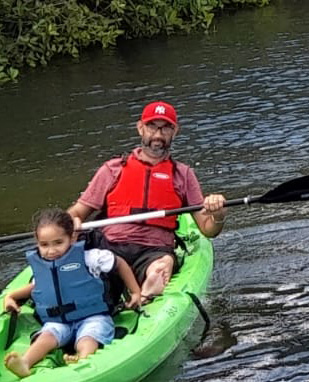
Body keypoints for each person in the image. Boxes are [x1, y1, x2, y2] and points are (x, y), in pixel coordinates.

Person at [68, 101, 227, 300]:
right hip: (110, 246)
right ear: (140, 128)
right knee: (94, 276)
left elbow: (207, 229)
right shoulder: (113, 169)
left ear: (175, 131)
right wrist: (71, 222)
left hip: (154, 251)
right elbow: (76, 213)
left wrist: (218, 215)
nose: (158, 135)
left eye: (166, 128)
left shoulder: (182, 175)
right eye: (152, 126)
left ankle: (147, 294)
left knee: (161, 267)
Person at [3, 208, 142, 378]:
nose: (51, 250)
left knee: (88, 337)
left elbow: (119, 263)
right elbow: (34, 287)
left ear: (72, 238)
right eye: (44, 245)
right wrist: (10, 297)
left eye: (58, 242)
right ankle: (25, 362)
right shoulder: (44, 268)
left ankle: (82, 359)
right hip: (59, 322)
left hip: (94, 317)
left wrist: (135, 292)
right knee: (47, 335)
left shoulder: (90, 257)